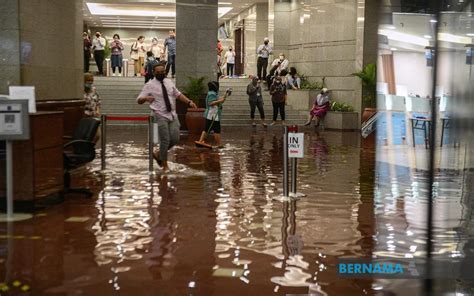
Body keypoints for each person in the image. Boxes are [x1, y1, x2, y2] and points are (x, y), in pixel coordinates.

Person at [136, 63, 197, 171]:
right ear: (154, 73)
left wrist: (189, 102)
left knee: (174, 139)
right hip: (159, 114)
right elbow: (139, 100)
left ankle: (159, 153)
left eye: (163, 72)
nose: (161, 74)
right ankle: (164, 164)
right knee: (165, 140)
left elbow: (177, 94)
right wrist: (146, 98)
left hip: (172, 114)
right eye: (158, 72)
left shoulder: (169, 82)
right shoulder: (149, 85)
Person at [196, 81, 228, 148]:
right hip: (212, 115)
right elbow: (211, 103)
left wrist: (224, 97)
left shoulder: (212, 93)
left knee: (207, 129)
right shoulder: (212, 94)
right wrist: (220, 101)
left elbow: (217, 100)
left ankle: (201, 141)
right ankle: (218, 144)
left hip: (212, 115)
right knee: (216, 129)